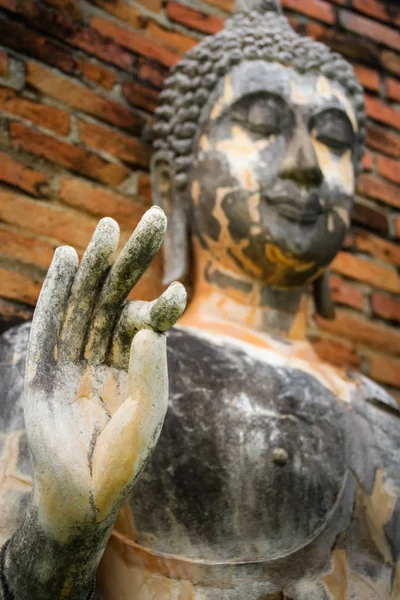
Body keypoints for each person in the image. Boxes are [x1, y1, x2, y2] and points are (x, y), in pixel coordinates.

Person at [0, 0, 399, 598]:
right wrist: (58, 543)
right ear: (172, 179)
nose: (304, 166)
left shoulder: (385, 416)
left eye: (333, 139)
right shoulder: (78, 373)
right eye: (262, 126)